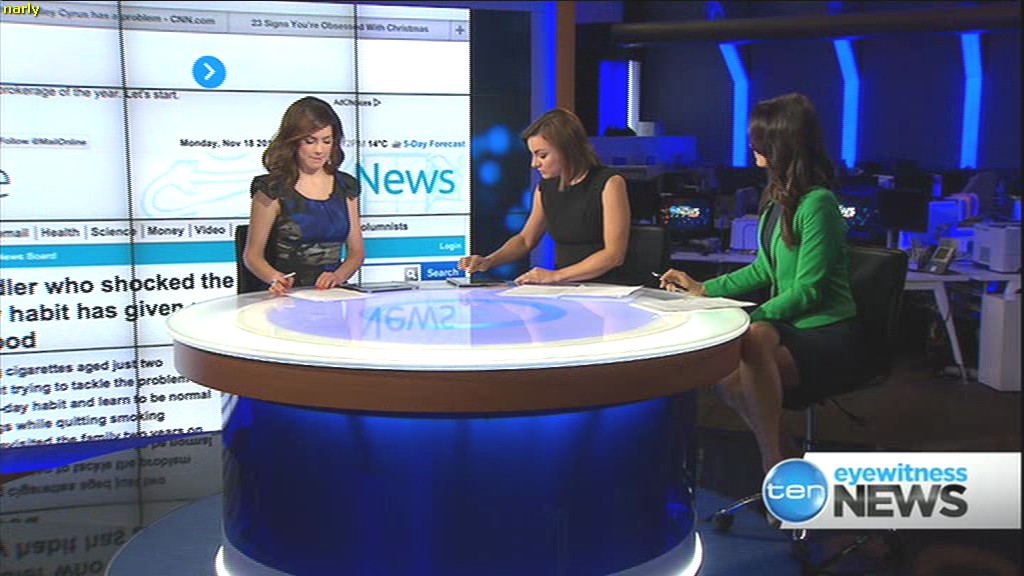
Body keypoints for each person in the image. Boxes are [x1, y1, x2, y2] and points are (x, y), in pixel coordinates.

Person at [659, 93, 865, 473]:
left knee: (750, 341)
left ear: (781, 142)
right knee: (728, 373)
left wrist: (747, 318)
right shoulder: (776, 200)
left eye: (757, 138)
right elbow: (763, 270)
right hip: (791, 322)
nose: (751, 145)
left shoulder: (818, 203)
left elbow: (809, 291)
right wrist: (703, 288)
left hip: (827, 328)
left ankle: (773, 461)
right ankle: (783, 454)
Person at [458, 108, 632, 285]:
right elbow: (525, 240)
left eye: (542, 155)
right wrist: (489, 261)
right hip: (565, 286)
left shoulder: (609, 183)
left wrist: (555, 276)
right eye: (533, 155)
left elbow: (614, 255)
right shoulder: (545, 188)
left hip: (606, 287)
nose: (534, 164)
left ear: (567, 150)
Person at [245, 96, 365, 296]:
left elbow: (356, 253)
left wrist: (337, 277)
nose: (319, 150)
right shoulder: (271, 189)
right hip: (285, 296)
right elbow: (252, 256)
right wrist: (275, 278)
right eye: (310, 141)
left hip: (332, 294)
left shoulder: (346, 186)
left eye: (327, 141)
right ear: (293, 142)